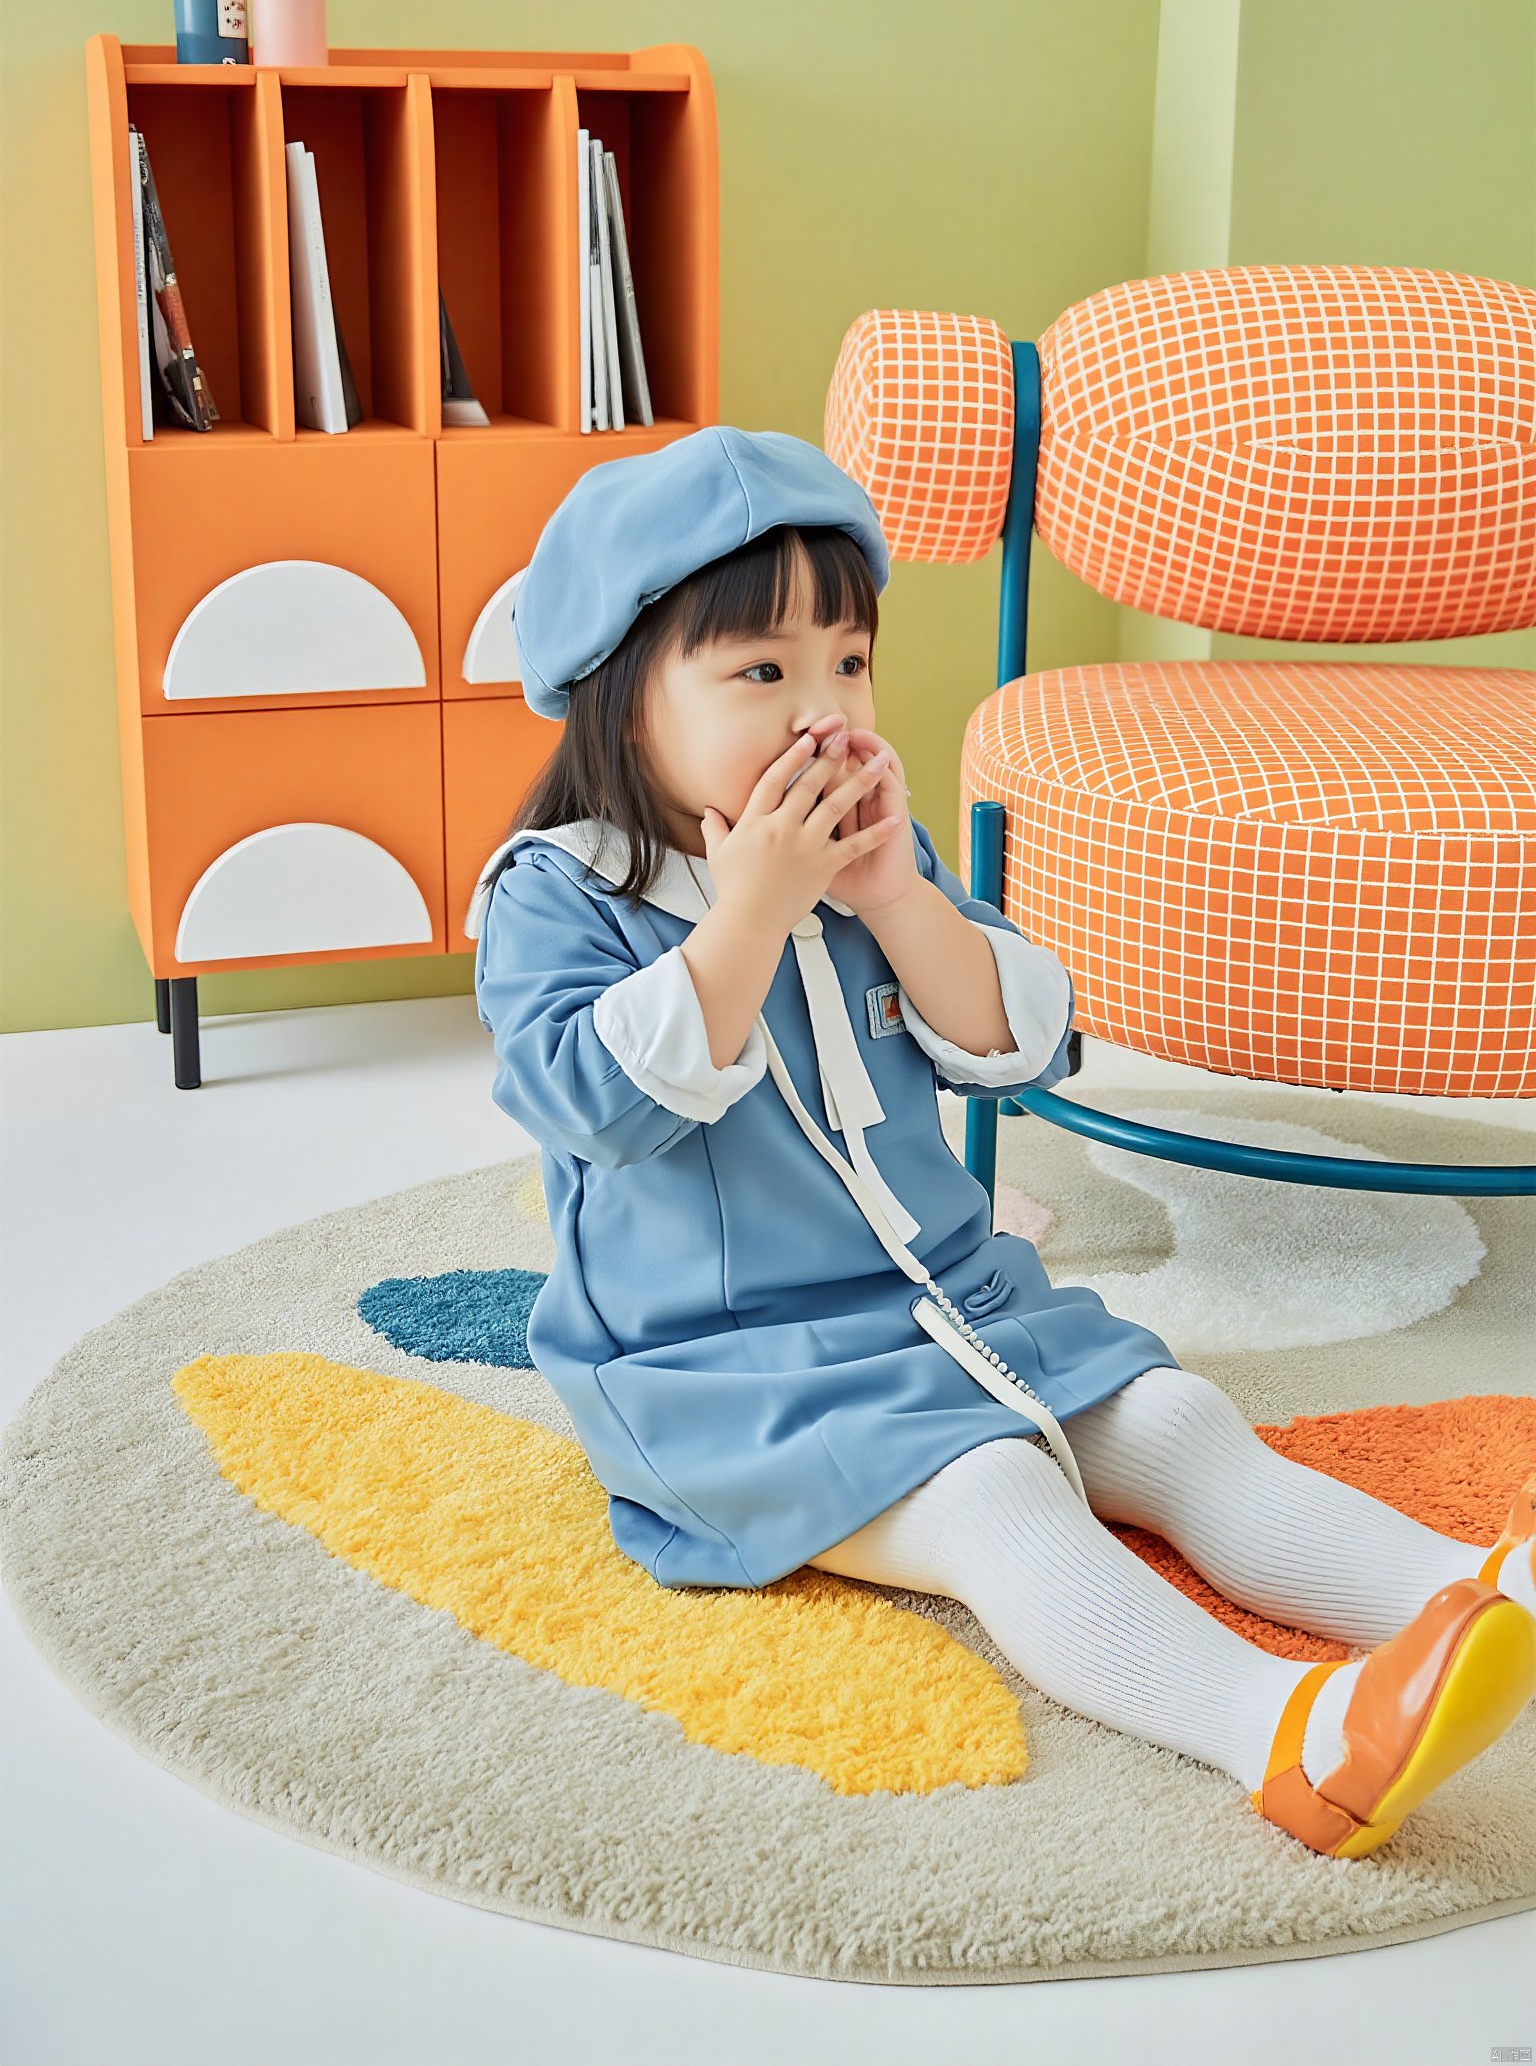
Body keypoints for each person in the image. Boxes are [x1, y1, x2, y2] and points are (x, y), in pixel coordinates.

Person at [469, 425, 1536, 1861]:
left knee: (1178, 1424)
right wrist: (750, 916)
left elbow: (1011, 1041)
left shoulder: (862, 858)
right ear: (624, 702)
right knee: (998, 1500)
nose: (820, 710)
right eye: (759, 673)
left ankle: (1489, 1597)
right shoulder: (561, 894)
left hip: (964, 1305)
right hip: (732, 1371)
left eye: (848, 662)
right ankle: (1286, 1731)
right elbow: (593, 1100)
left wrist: (898, 894)